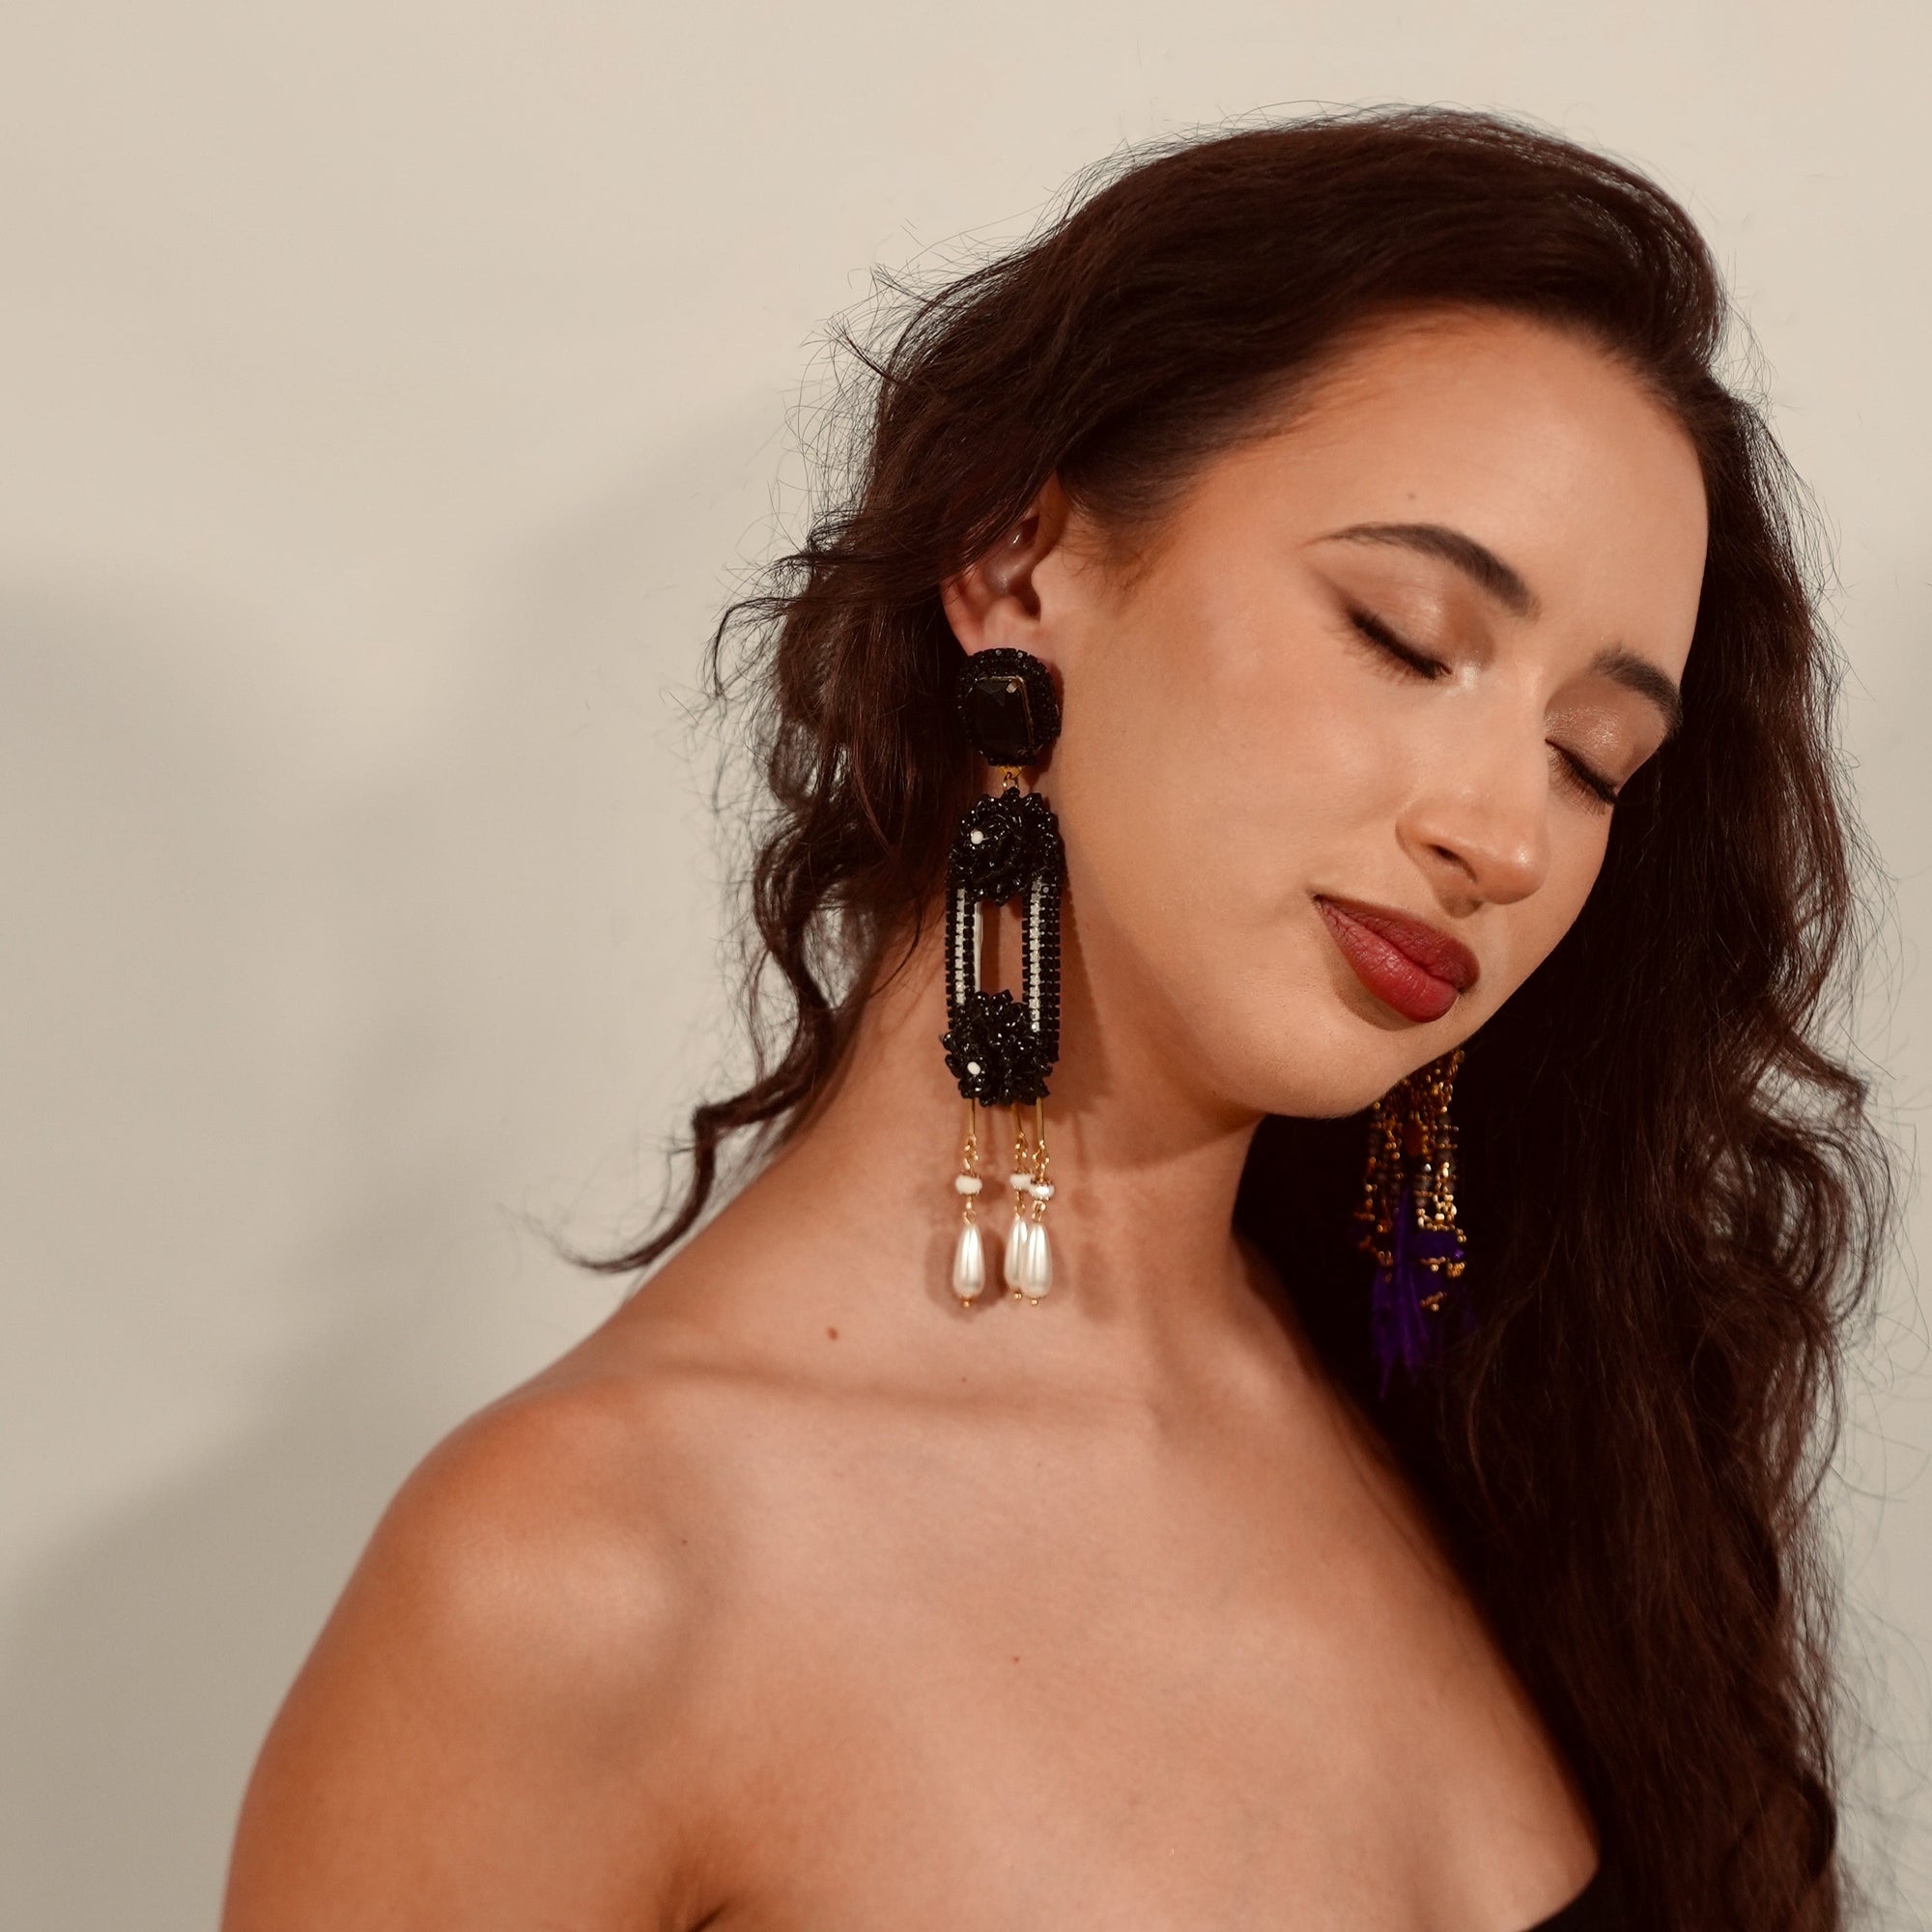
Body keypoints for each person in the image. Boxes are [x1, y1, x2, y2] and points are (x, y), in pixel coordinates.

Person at [221, 106, 1897, 1932]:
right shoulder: (580, 1584)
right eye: (1407, 638)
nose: (1503, 837)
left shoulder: (1509, 1423)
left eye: (1594, 760)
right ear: (1019, 563)